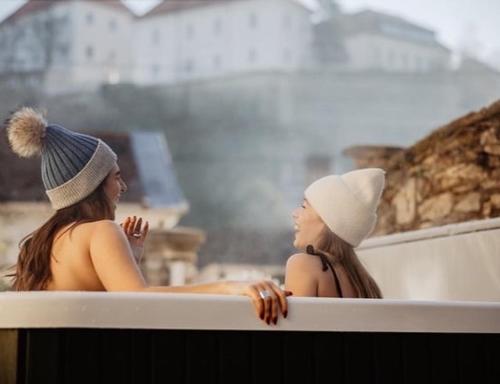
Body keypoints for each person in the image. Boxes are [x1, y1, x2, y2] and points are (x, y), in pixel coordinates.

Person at [5, 107, 289, 325]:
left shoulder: (41, 242)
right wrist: (230, 287)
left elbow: (96, 301)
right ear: (93, 185)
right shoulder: (101, 231)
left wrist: (130, 259)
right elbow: (137, 299)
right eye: (116, 177)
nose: (123, 187)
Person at [285, 168, 384, 298]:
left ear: (327, 219)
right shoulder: (367, 284)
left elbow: (294, 319)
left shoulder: (303, 265)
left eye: (304, 206)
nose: (295, 214)